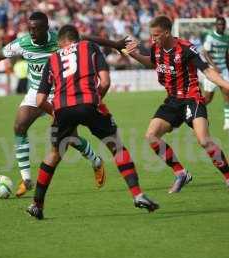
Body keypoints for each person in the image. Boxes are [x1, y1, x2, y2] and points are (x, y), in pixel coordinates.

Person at [0, 12, 126, 198]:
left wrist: (115, 44)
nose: (32, 32)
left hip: (61, 94)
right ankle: (26, 179)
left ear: (46, 28)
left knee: (67, 139)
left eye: (36, 28)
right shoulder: (23, 43)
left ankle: (96, 161)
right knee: (19, 125)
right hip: (37, 92)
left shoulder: (59, 40)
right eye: (30, 28)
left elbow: (88, 39)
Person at [27, 24, 159, 220]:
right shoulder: (89, 47)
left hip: (62, 108)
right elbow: (105, 82)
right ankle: (137, 194)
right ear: (76, 38)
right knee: (116, 147)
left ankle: (37, 205)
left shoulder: (53, 58)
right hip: (90, 103)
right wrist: (96, 101)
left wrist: (55, 113)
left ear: (60, 41)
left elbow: (39, 100)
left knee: (54, 154)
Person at [125, 16, 229, 193]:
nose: (153, 39)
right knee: (151, 136)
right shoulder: (156, 48)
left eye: (156, 35)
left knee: (204, 140)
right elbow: (152, 62)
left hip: (191, 98)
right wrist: (133, 54)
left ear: (167, 32)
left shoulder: (186, 48)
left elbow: (207, 71)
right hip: (172, 101)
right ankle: (181, 173)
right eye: (152, 35)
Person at [202, 16, 229, 130]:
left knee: (227, 94)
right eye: (219, 24)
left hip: (223, 71)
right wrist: (214, 66)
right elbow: (205, 53)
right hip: (212, 71)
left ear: (225, 26)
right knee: (207, 99)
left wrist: (228, 68)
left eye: (223, 24)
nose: (221, 26)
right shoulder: (210, 37)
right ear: (216, 25)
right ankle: (193, 114)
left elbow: (226, 53)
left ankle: (227, 123)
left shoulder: (226, 37)